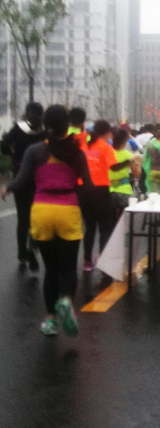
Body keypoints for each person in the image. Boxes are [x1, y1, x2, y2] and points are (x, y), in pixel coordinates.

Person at [1, 105, 92, 336]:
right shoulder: (76, 152)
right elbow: (88, 187)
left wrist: (7, 188)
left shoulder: (35, 151)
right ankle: (67, 302)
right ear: (67, 123)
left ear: (46, 124)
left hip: (41, 210)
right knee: (68, 267)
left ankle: (50, 321)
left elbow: (21, 181)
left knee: (51, 268)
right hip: (67, 210)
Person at [1, 101, 46, 270]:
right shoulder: (44, 132)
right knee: (36, 216)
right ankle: (32, 248)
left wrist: (13, 153)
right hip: (39, 178)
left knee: (23, 217)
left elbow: (4, 145)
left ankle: (22, 252)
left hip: (20, 175)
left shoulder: (17, 128)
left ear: (27, 113)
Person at [81, 119, 117, 271]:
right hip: (101, 190)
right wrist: (130, 162)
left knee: (89, 228)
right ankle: (103, 259)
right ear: (107, 132)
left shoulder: (84, 146)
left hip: (83, 189)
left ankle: (87, 261)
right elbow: (114, 167)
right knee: (105, 227)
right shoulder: (106, 147)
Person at [109, 127, 140, 221]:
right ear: (125, 140)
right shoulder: (129, 155)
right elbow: (137, 174)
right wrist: (138, 163)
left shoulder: (107, 153)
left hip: (108, 190)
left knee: (110, 222)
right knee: (123, 221)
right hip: (124, 190)